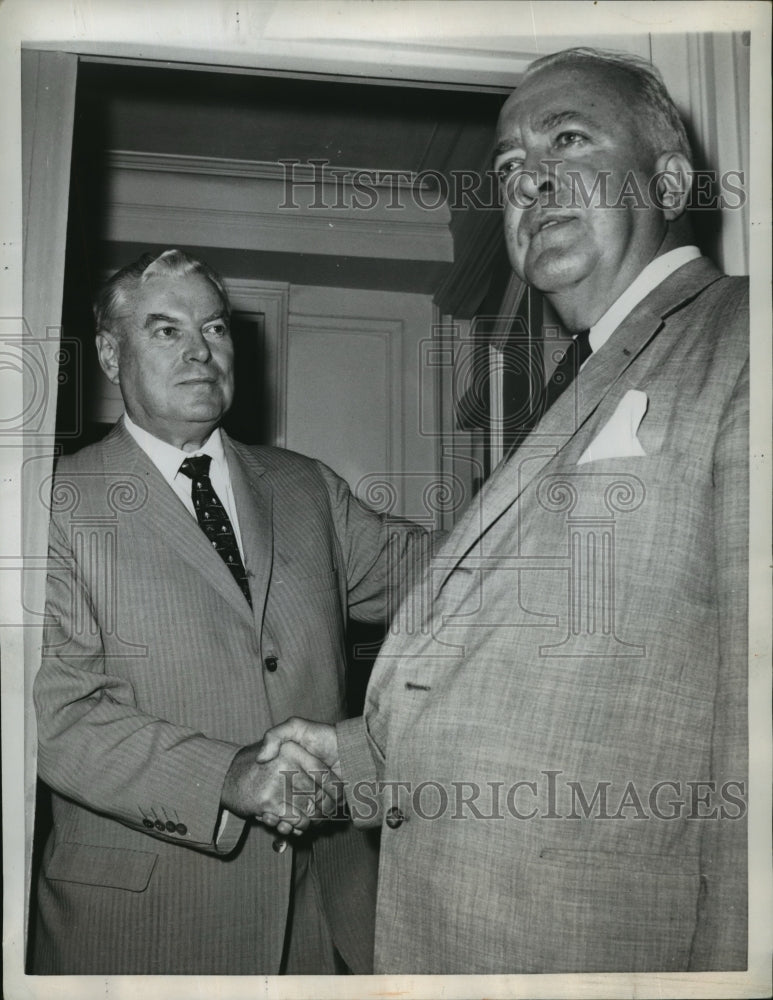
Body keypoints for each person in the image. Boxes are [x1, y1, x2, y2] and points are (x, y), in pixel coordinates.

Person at [261, 47, 749, 974]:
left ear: (671, 178)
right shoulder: (573, 386)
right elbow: (526, 691)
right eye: (508, 166)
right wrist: (345, 756)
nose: (529, 179)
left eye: (567, 138)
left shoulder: (740, 340)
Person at [31, 248, 430, 975]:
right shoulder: (51, 506)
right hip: (140, 927)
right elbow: (56, 719)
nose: (199, 352)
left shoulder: (305, 488)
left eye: (214, 330)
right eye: (165, 331)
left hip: (320, 917)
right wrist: (226, 775)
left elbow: (443, 583)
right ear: (110, 354)